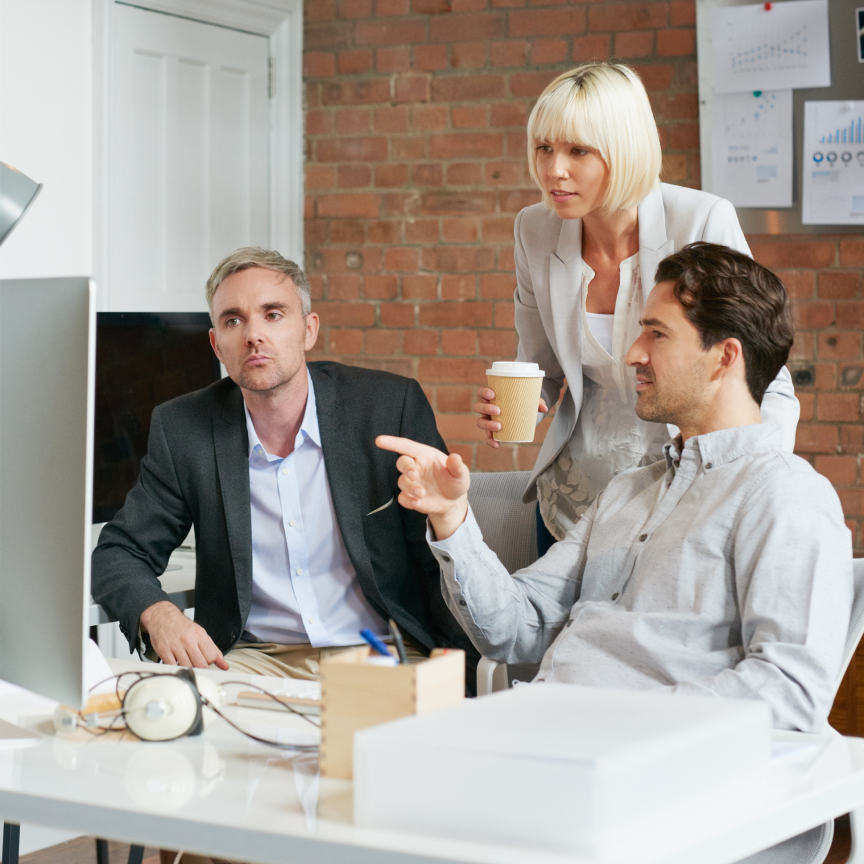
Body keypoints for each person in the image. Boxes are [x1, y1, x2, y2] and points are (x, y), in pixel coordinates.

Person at [380, 243, 851, 736]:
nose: (632, 354)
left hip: (641, 755)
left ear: (724, 357)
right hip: (548, 733)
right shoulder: (628, 490)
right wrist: (451, 518)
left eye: (657, 334)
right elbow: (514, 629)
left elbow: (789, 690)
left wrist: (608, 721)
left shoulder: (787, 496)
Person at [91, 247, 478, 685]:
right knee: (161, 711)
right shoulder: (184, 429)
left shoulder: (388, 408)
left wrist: (463, 673)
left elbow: (439, 559)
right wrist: (160, 615)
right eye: (233, 320)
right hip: (254, 659)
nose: (253, 335)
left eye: (273, 314)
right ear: (216, 344)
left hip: (383, 651)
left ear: (308, 330)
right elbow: (119, 552)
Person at [472, 62, 799, 555]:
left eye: (578, 150)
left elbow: (763, 377)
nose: (553, 169)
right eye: (544, 148)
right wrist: (519, 404)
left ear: (625, 148)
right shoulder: (534, 230)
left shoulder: (700, 220)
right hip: (573, 499)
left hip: (684, 495)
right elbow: (542, 366)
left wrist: (751, 486)